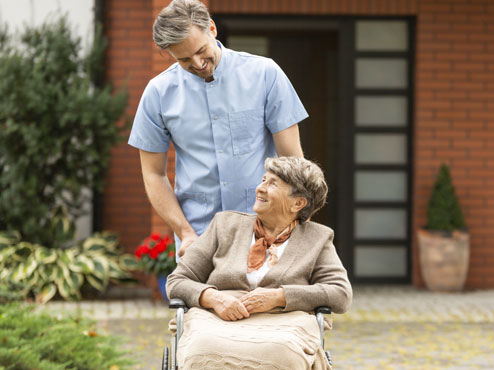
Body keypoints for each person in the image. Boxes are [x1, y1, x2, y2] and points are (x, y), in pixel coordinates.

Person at [128, 0, 307, 257]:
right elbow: (153, 175)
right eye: (185, 59)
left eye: (201, 50)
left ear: (212, 28)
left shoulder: (266, 74)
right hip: (199, 236)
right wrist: (185, 232)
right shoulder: (158, 93)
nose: (199, 63)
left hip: (266, 230)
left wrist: (294, 221)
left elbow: (292, 160)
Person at [167, 157, 352, 370]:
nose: (260, 189)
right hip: (217, 319)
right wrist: (213, 298)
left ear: (298, 203)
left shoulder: (317, 238)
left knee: (281, 352)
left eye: (272, 184)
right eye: (263, 180)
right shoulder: (224, 224)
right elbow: (177, 281)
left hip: (284, 323)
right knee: (203, 347)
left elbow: (340, 293)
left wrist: (278, 297)